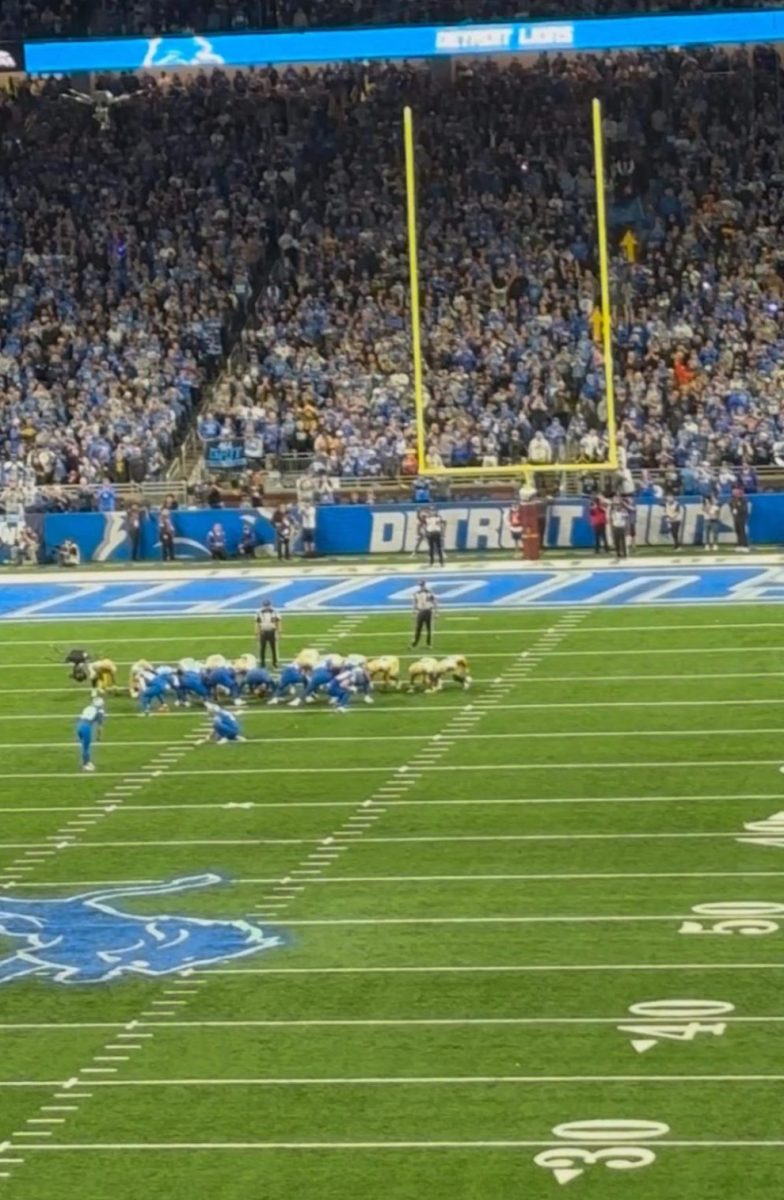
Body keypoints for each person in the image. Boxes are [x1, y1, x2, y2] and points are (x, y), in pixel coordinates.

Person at [76, 695, 105, 772]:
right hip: (86, 727)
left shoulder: (87, 707)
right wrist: (99, 736)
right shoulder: (100, 712)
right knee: (86, 747)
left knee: (84, 746)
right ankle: (85, 765)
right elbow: (100, 726)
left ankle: (88, 762)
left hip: (79, 725)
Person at [411, 580, 437, 648]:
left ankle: (429, 644)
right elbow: (415, 603)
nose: (421, 586)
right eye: (420, 585)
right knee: (418, 628)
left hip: (428, 611)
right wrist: (413, 612)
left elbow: (434, 602)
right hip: (420, 611)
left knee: (429, 628)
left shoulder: (429, 592)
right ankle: (415, 643)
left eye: (422, 585)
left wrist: (436, 611)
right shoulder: (416, 593)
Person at [255, 600, 281, 668]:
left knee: (274, 649)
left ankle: (275, 662)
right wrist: (257, 633)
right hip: (263, 632)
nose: (266, 607)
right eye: (265, 606)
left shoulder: (275, 612)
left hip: (272, 631)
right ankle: (262, 663)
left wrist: (278, 632)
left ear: (270, 605)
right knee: (262, 649)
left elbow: (278, 622)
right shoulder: (259, 612)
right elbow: (257, 623)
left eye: (267, 605)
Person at [730, 485, 750, 552]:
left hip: (742, 518)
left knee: (742, 532)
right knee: (737, 531)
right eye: (733, 492)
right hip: (736, 518)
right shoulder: (732, 500)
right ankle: (739, 545)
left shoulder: (743, 500)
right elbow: (731, 507)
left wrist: (738, 507)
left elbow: (745, 509)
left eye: (735, 492)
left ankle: (745, 545)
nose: (734, 493)